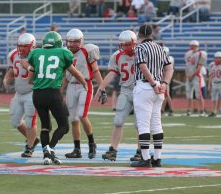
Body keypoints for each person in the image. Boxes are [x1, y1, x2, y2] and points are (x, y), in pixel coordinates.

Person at [27, 31, 87, 165]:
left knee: (45, 126)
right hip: (53, 94)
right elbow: (75, 73)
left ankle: (46, 155)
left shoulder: (36, 54)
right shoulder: (62, 54)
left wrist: (41, 81)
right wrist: (84, 83)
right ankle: (51, 148)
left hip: (37, 94)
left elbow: (29, 80)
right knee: (64, 126)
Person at [131, 24, 173, 167]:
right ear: (151, 35)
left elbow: (142, 66)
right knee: (156, 124)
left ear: (139, 35)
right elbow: (169, 68)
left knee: (143, 125)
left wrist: (153, 84)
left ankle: (145, 158)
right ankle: (157, 158)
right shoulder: (160, 48)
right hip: (159, 89)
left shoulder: (140, 48)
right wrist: (164, 84)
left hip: (145, 87)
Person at [62, 29, 104, 159]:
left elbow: (96, 71)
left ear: (80, 41)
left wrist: (102, 88)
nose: (71, 45)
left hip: (84, 85)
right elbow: (65, 74)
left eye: (74, 42)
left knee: (82, 115)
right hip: (71, 86)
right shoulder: (65, 52)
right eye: (70, 42)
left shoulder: (87, 50)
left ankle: (92, 144)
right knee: (73, 119)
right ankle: (77, 149)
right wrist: (61, 90)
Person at [97, 30, 139, 161]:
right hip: (125, 90)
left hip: (140, 91)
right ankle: (113, 150)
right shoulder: (117, 56)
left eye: (126, 45)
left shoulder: (142, 54)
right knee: (118, 121)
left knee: (140, 124)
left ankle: (141, 151)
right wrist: (101, 87)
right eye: (122, 45)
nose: (123, 47)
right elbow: (112, 73)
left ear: (133, 43)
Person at [3, 33, 40, 157]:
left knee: (30, 121)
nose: (22, 49)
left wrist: (30, 67)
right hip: (18, 93)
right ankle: (33, 140)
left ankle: (29, 147)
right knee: (15, 122)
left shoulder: (38, 56)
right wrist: (7, 78)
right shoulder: (13, 55)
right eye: (20, 46)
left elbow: (41, 75)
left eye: (25, 46)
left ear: (32, 46)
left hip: (32, 92)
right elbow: (12, 70)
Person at [185, 40, 207, 116]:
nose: (192, 47)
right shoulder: (187, 54)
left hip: (197, 76)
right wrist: (187, 75)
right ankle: (188, 110)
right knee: (189, 94)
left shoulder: (201, 54)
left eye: (193, 46)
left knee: (198, 94)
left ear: (197, 46)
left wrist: (191, 75)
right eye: (191, 46)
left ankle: (202, 110)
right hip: (189, 76)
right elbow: (187, 66)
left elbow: (199, 67)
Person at [207, 52, 221, 118]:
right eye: (217, 58)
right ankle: (214, 111)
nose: (219, 59)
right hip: (214, 83)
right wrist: (209, 85)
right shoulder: (212, 65)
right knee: (214, 99)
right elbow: (210, 76)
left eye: (220, 58)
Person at [162, 47, 174, 116]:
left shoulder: (169, 59)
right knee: (164, 95)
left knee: (166, 94)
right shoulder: (168, 58)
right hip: (164, 78)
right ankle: (162, 109)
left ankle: (171, 109)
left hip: (165, 78)